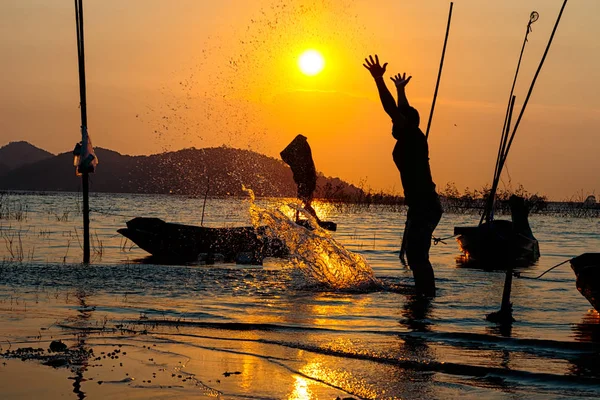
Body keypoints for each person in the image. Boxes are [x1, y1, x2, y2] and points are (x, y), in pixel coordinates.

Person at [363, 54, 442, 296]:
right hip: (422, 205)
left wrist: (379, 79)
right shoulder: (412, 134)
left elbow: (392, 110)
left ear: (404, 123)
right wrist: (400, 90)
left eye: (395, 121)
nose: (391, 124)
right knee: (415, 254)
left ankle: (425, 297)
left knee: (416, 255)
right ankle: (423, 296)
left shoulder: (411, 136)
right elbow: (402, 111)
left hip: (425, 205)